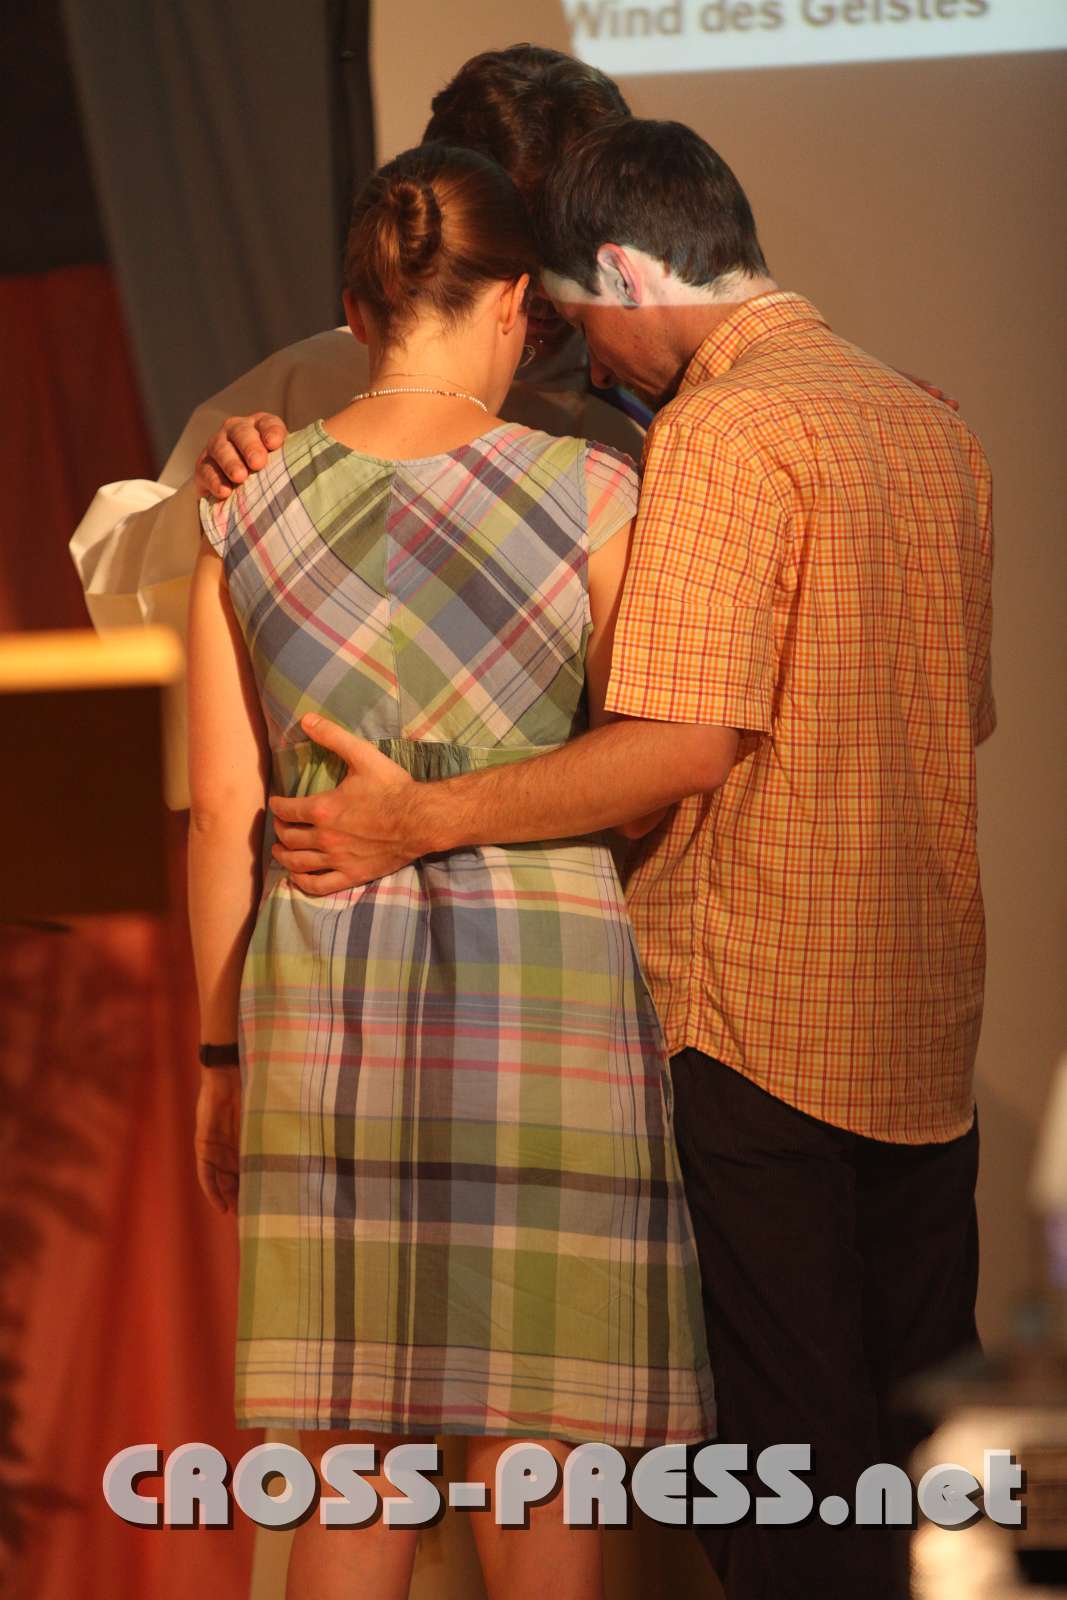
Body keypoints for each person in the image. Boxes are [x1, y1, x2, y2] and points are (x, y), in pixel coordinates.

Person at [262, 120, 995, 1600]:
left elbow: (675, 749)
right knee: (922, 1476)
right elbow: (956, 717)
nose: (576, 353)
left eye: (573, 311)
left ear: (624, 272)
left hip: (754, 1025)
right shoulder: (931, 425)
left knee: (788, 1496)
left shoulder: (718, 433)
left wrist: (419, 816)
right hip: (920, 1035)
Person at [186, 140, 714, 1600]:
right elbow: (640, 759)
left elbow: (222, 813)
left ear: (357, 314)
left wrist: (219, 1057)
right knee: (537, 1468)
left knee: (351, 1459)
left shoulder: (242, 510)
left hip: (323, 1000)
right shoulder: (588, 492)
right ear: (513, 307)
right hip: (543, 994)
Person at [68, 45, 646, 809]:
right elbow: (127, 579)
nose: (538, 285)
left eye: (565, 244)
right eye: (513, 241)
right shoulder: (312, 384)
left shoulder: (635, 414)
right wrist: (210, 493)